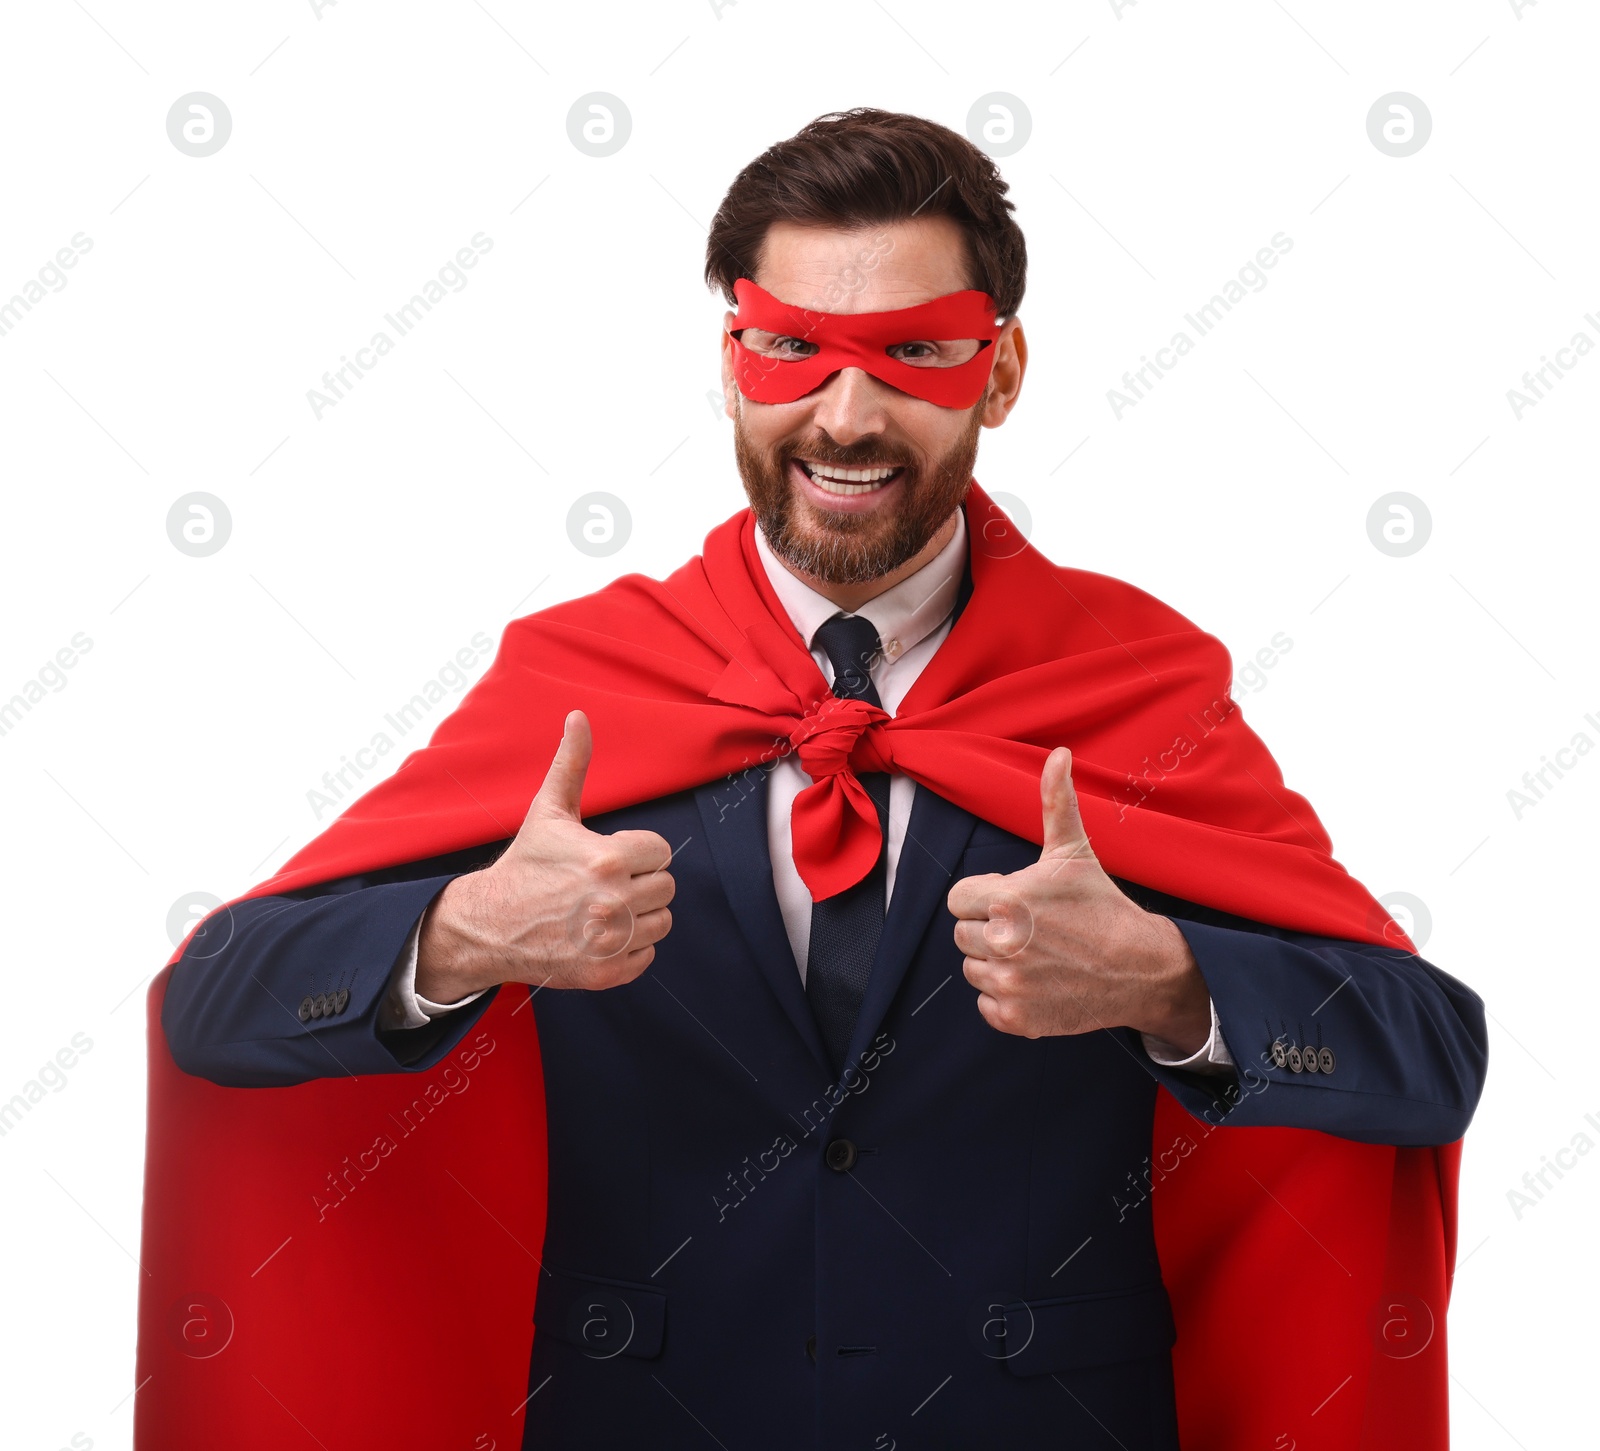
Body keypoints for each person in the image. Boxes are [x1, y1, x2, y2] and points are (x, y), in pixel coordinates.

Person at [146, 109, 1487, 1450]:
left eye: (915, 352)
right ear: (733, 367)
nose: (846, 414)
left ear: (1001, 371)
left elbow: (1429, 1058)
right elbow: (215, 1004)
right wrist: (458, 937)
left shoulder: (1135, 682)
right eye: (791, 348)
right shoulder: (589, 682)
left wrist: (1172, 986)